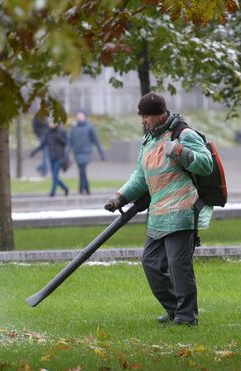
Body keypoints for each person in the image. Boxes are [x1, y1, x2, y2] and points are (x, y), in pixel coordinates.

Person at [104, 92, 213, 326]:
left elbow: (206, 164)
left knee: (178, 267)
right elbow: (141, 177)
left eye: (147, 117)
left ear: (160, 114)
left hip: (182, 209)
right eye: (142, 117)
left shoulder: (183, 134)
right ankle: (174, 309)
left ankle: (186, 318)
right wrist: (119, 198)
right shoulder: (149, 140)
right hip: (159, 213)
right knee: (151, 263)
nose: (144, 121)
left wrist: (178, 151)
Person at [68, 110, 105, 195]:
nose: (79, 116)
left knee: (82, 169)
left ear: (84, 116)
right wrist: (67, 152)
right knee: (81, 170)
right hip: (77, 152)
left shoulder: (89, 127)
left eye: (80, 115)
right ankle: (86, 188)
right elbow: (71, 141)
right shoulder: (74, 126)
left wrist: (101, 154)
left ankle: (81, 188)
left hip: (86, 152)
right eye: (78, 115)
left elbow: (96, 141)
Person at [30, 118, 69, 197]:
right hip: (52, 157)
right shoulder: (48, 133)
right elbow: (42, 145)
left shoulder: (61, 132)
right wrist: (34, 152)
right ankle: (65, 188)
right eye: (50, 123)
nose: (51, 124)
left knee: (55, 175)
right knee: (55, 176)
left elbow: (65, 142)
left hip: (59, 157)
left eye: (53, 122)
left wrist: (59, 138)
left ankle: (52, 193)